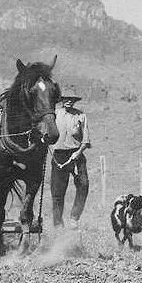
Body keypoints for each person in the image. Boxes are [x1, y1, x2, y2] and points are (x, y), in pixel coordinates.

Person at [50, 91, 91, 230]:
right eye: (66, 99)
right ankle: (57, 224)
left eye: (72, 99)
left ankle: (74, 217)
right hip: (59, 155)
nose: (69, 101)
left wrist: (78, 152)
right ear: (62, 100)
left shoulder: (81, 115)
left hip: (76, 155)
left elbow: (86, 140)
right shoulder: (55, 113)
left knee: (83, 184)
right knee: (57, 192)